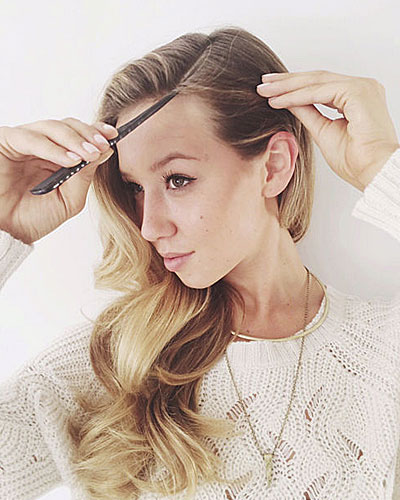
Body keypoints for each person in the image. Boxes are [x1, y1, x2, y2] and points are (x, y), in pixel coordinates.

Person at [0, 26, 399, 500]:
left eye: (177, 179)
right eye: (134, 188)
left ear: (274, 166)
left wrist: (381, 166)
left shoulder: (386, 350)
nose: (149, 226)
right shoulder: (117, 361)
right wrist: (4, 224)